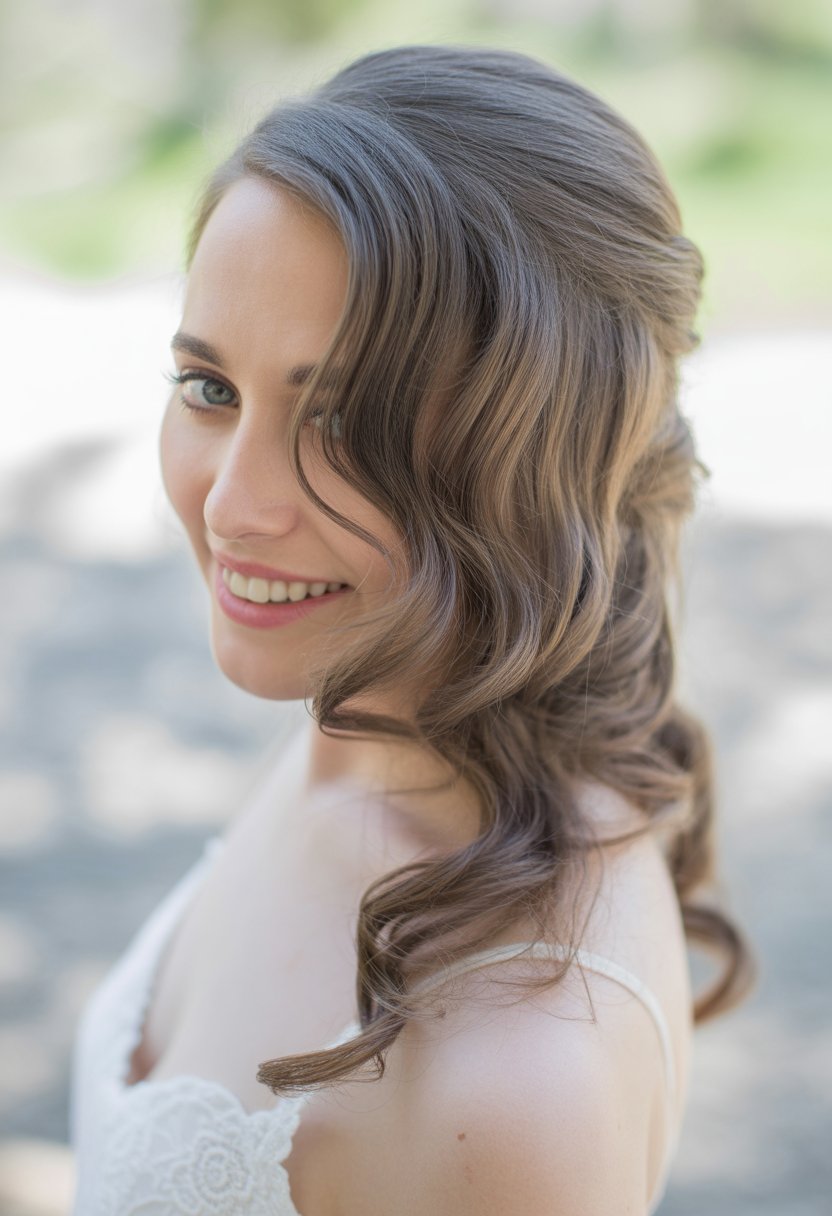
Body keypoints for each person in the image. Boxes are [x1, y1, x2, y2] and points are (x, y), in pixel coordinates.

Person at [69, 44, 756, 1215]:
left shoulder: (515, 1088)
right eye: (209, 389)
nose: (231, 503)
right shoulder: (362, 719)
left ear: (540, 457)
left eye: (340, 420)